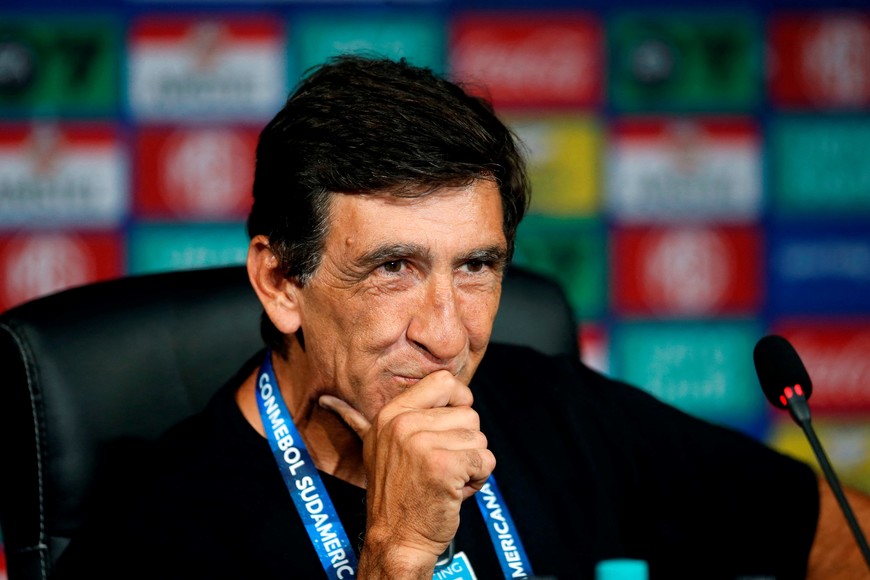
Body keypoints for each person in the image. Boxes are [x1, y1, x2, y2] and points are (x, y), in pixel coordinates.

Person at [54, 55, 870, 580]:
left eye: (476, 267)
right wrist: (397, 555)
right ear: (279, 281)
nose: (447, 336)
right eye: (393, 269)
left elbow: (824, 530)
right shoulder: (152, 538)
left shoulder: (546, 404)